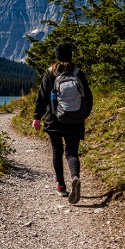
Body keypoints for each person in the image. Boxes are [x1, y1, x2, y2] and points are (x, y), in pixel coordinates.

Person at [32, 42, 93, 204]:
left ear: (57, 56)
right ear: (71, 55)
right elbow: (88, 97)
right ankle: (75, 177)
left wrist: (37, 117)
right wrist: (84, 115)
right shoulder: (78, 73)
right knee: (72, 153)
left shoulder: (51, 73)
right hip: (75, 120)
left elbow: (42, 97)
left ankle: (61, 186)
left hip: (54, 120)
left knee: (57, 151)